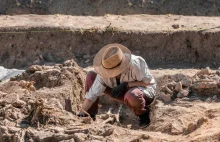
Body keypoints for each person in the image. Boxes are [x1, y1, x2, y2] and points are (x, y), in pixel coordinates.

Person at [78, 43, 156, 128]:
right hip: (119, 92)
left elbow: (148, 82)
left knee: (132, 95)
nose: (111, 74)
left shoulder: (136, 64)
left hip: (143, 92)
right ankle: (89, 114)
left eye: (114, 71)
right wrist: (82, 113)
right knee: (92, 74)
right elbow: (92, 95)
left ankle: (143, 115)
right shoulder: (104, 71)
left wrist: (127, 85)